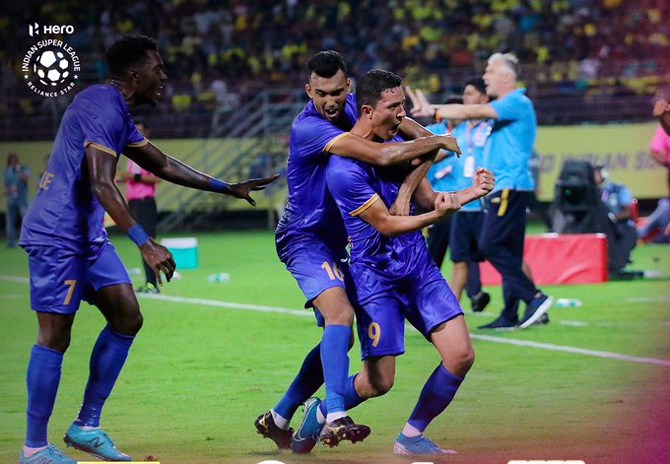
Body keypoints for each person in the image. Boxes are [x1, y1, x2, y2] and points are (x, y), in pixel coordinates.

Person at [18, 34, 277, 464]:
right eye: (158, 69)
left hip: (87, 236)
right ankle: (33, 447)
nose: (165, 76)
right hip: (56, 235)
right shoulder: (101, 105)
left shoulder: (117, 110)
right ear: (134, 74)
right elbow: (102, 182)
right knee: (55, 336)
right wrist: (146, 243)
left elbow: (160, 163)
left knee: (127, 315)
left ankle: (86, 425)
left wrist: (226, 188)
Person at [255, 51, 460, 453]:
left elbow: (413, 137)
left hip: (337, 240)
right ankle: (334, 414)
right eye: (321, 93)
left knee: (341, 338)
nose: (330, 102)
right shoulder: (308, 128)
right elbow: (388, 154)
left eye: (336, 92)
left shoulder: (356, 106)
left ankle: (279, 415)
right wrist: (438, 140)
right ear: (308, 90)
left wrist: (413, 171)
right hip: (303, 237)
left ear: (348, 87)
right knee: (341, 315)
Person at [293, 69, 494, 455]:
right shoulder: (344, 169)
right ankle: (319, 412)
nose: (402, 114)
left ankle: (412, 435)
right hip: (376, 279)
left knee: (461, 355)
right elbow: (386, 224)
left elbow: (426, 195)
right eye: (394, 106)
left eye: (403, 104)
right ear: (367, 110)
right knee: (379, 382)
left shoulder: (400, 137)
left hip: (417, 268)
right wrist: (438, 215)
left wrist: (470, 192)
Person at [410, 52, 553, 329]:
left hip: (508, 185)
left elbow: (473, 110)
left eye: (490, 71)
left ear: (506, 77)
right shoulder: (501, 112)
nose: (485, 75)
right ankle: (510, 313)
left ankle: (534, 298)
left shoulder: (516, 102)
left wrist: (435, 110)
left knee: (490, 245)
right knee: (508, 251)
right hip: (500, 187)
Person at [422, 91, 490, 313]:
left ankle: (474, 293)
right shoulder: (434, 132)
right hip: (438, 201)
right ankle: (424, 293)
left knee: (465, 253)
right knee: (437, 253)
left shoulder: (466, 133)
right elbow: (424, 157)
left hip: (464, 202)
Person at [117, 120, 162, 293]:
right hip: (134, 202)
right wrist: (124, 178)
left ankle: (153, 285)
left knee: (148, 241)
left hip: (145, 202)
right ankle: (149, 283)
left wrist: (133, 177)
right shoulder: (132, 154)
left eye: (141, 130)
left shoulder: (149, 152)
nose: (137, 133)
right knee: (141, 243)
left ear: (148, 133)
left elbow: (157, 178)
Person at [594, 165, 637, 275]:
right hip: (602, 230)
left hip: (622, 227)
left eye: (596, 173)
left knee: (617, 262)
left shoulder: (618, 189)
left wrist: (610, 218)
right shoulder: (590, 193)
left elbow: (628, 212)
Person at [4, 153, 30, 248]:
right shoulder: (7, 171)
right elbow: (5, 185)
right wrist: (7, 190)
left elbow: (25, 178)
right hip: (11, 200)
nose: (14, 162)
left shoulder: (23, 168)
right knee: (10, 222)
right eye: (12, 160)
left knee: (25, 221)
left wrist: (19, 169)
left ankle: (27, 242)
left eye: (15, 160)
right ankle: (10, 243)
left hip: (22, 200)